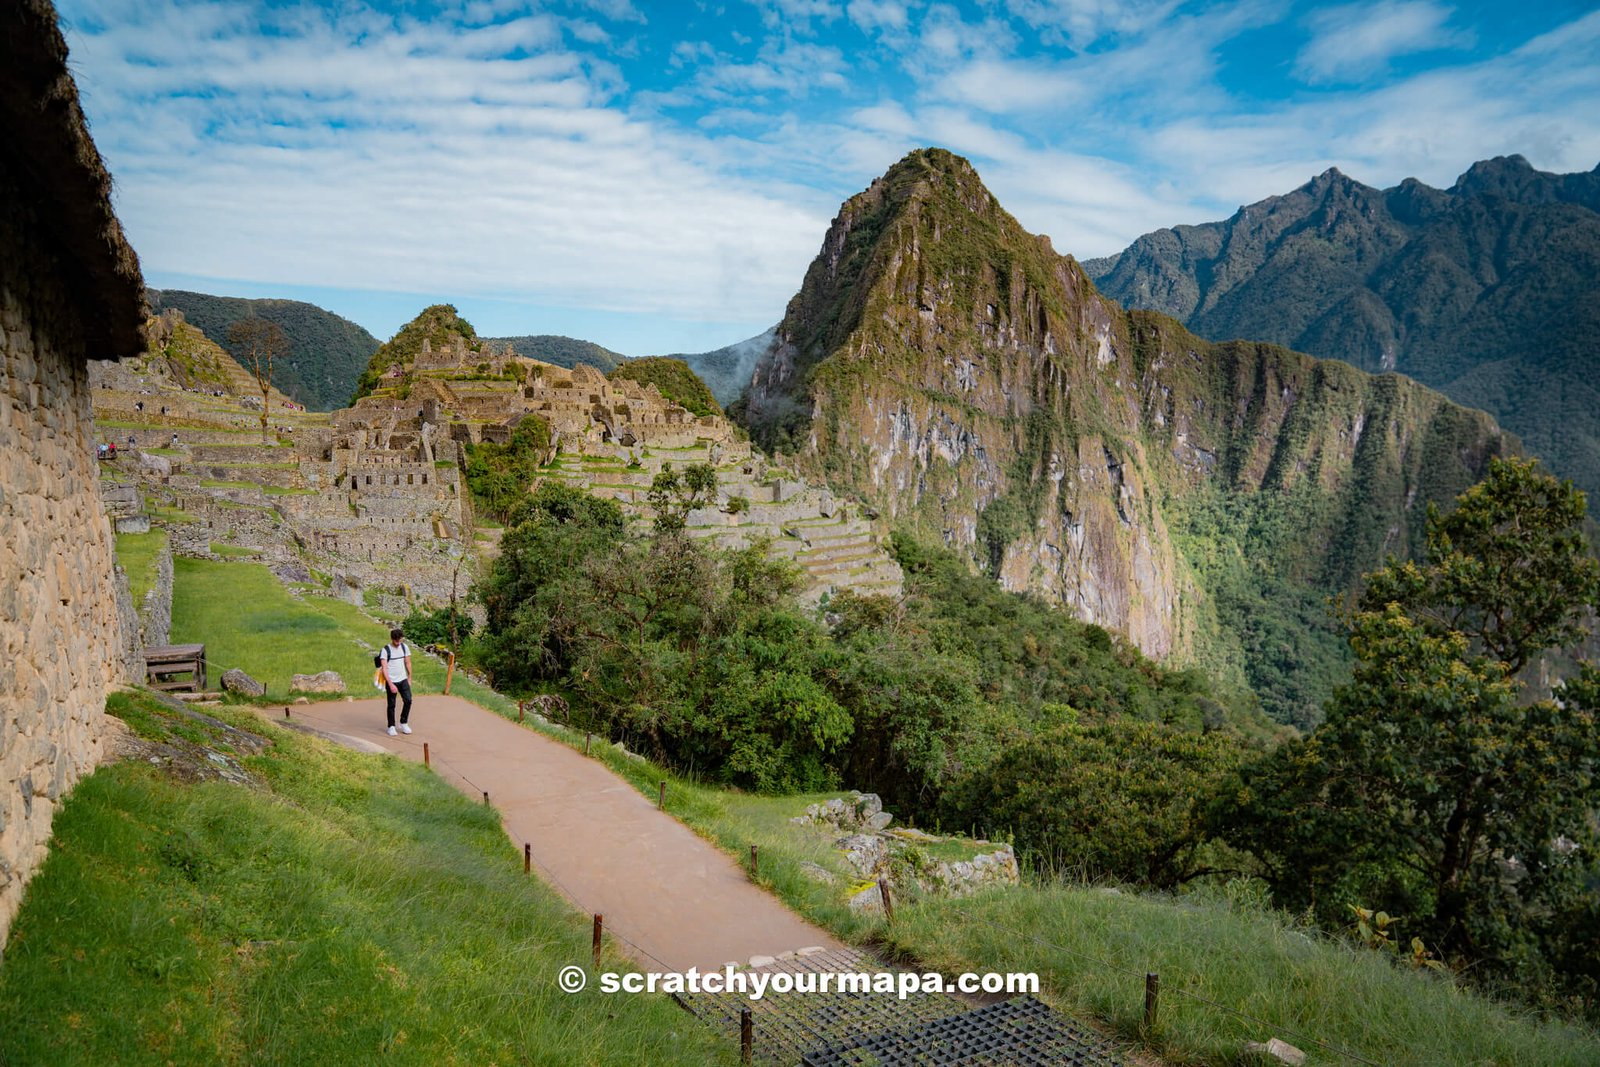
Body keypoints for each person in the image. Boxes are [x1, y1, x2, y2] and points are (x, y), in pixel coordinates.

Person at [379, 627, 414, 736]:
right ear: (392, 639)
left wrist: (409, 677)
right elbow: (384, 668)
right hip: (391, 681)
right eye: (396, 640)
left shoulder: (404, 647)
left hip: (403, 679)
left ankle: (403, 722)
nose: (398, 642)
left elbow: (408, 663)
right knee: (391, 704)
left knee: (408, 700)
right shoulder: (385, 650)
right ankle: (391, 726)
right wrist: (390, 683)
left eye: (399, 640)